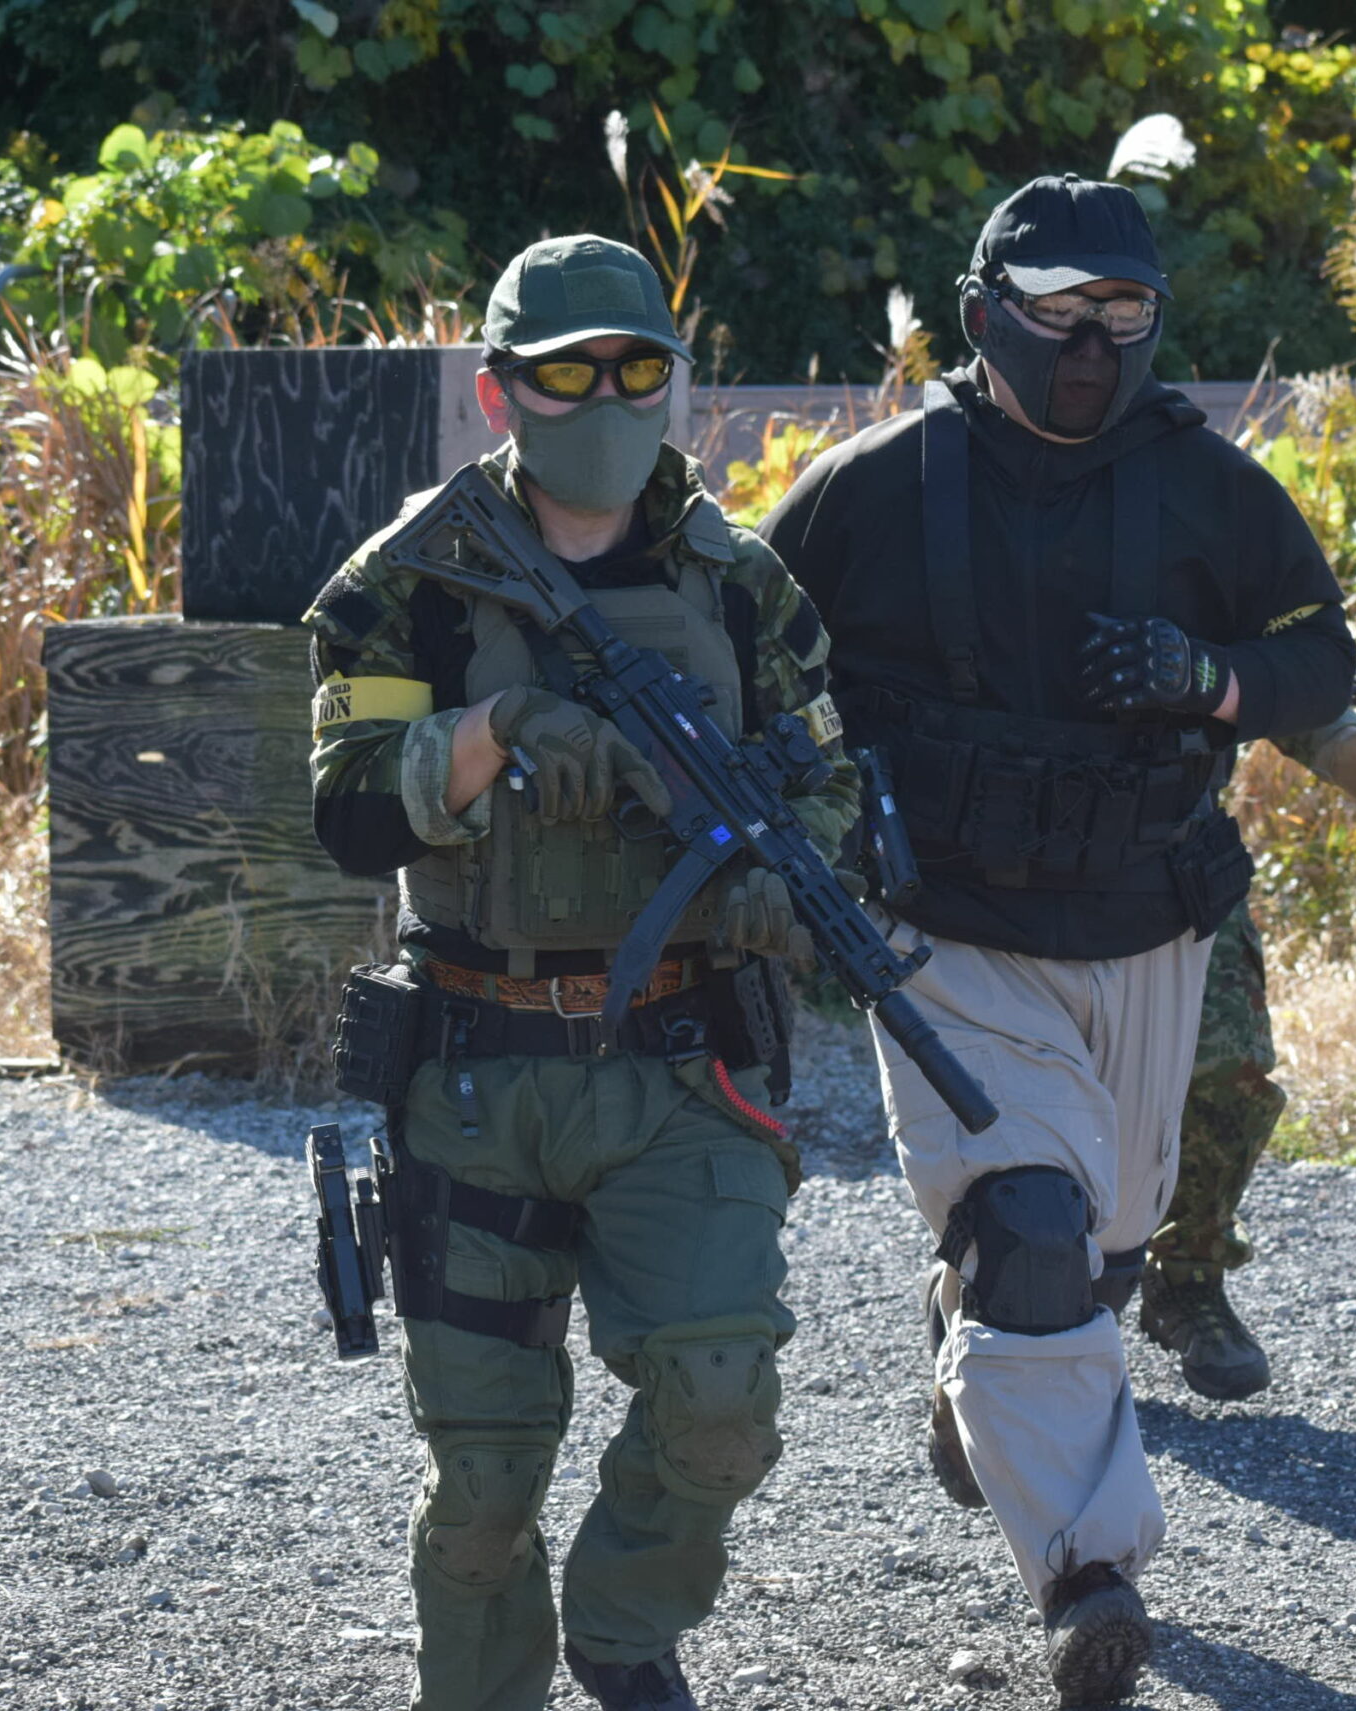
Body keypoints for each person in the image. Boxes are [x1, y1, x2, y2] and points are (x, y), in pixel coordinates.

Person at [760, 174, 1355, 1706]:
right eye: (1057, 312)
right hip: (947, 935)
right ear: (983, 316)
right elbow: (738, 642)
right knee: (1028, 1228)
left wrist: (1210, 679)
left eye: (1123, 312)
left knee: (1097, 1257)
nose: (1091, 345)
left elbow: (1321, 657)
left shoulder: (1210, 489)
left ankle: (973, 1342)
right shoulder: (873, 488)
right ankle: (1089, 1576)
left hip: (1148, 928)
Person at [304, 234, 855, 1711]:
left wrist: (781, 876)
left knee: (721, 1404)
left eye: (635, 369)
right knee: (483, 1487)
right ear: (499, 392)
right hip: (475, 1071)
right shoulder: (412, 582)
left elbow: (830, 785)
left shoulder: (741, 584)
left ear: (674, 382)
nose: (604, 399)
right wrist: (496, 729)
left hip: (682, 1061)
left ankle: (622, 1630)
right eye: (565, 374)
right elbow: (347, 810)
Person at [1141, 711, 1356, 1400]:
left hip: (1177, 851)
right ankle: (1003, 1275)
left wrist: (1342, 741)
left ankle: (1187, 1277)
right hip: (1019, 856)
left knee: (1228, 1072)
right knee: (1034, 1075)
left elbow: (1264, 664)